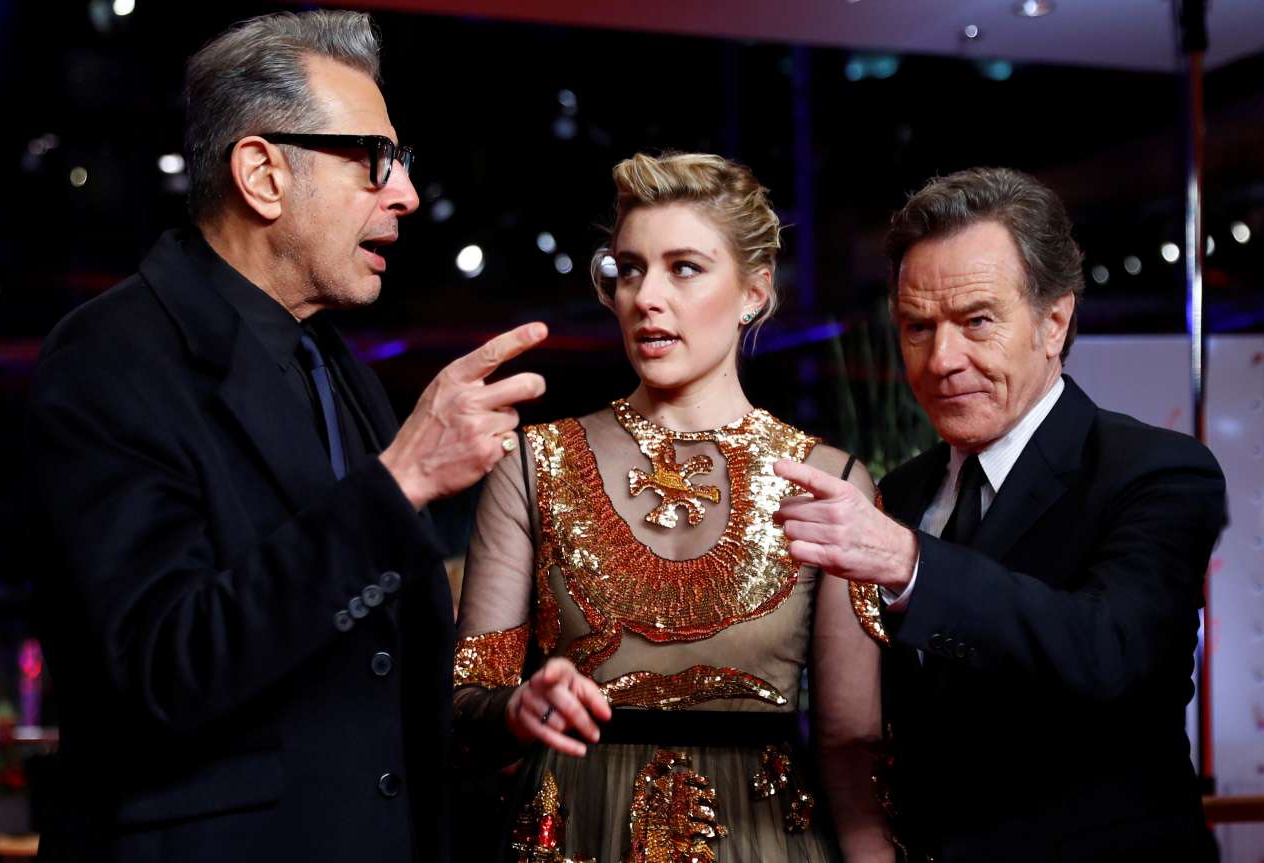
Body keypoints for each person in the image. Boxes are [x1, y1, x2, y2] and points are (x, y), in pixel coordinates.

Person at [25, 11, 546, 862]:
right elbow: (157, 671)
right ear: (263, 175)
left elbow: (381, 678)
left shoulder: (336, 366)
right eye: (374, 159)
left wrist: (501, 720)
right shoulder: (108, 359)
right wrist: (400, 483)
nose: (407, 195)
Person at [452, 152, 894, 862]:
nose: (645, 297)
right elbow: (469, 704)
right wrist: (519, 705)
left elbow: (851, 746)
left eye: (684, 268)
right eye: (629, 269)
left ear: (755, 290)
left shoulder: (827, 481)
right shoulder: (533, 464)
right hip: (569, 836)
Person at [774, 167, 1226, 862]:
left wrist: (910, 564)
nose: (941, 360)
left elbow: (1109, 653)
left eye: (976, 321)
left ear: (1054, 322)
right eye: (917, 327)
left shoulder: (1158, 471)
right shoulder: (902, 491)